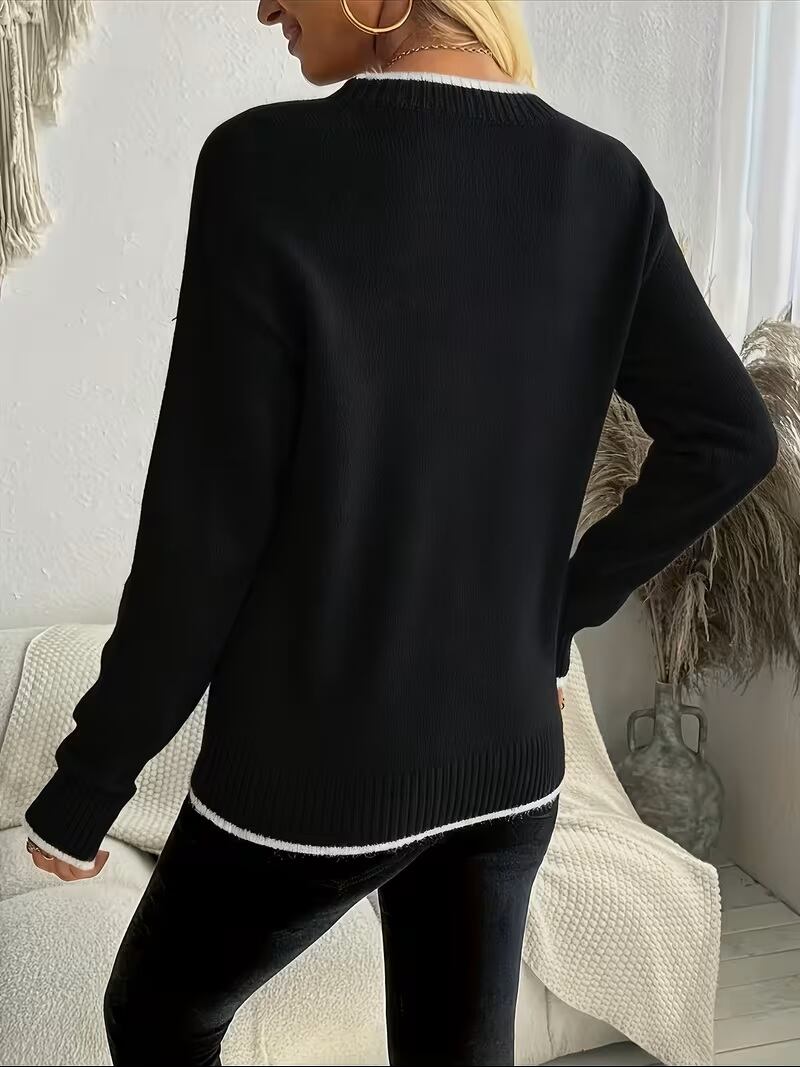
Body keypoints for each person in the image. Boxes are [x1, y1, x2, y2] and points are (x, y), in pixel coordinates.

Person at [23, 1, 778, 1064]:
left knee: (156, 1014)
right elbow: (732, 437)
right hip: (511, 759)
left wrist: (93, 777)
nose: (266, 8)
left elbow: (204, 530)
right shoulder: (605, 183)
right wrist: (553, 617)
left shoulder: (262, 165)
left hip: (314, 769)